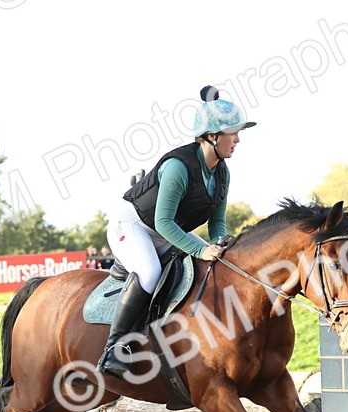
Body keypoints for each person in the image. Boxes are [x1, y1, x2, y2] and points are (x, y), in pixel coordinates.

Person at [97, 85, 255, 378]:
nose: (238, 139)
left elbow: (216, 224)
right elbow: (163, 223)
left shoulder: (222, 172)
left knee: (213, 263)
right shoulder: (178, 167)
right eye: (233, 132)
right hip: (133, 224)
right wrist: (199, 248)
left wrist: (221, 245)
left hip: (166, 229)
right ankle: (114, 349)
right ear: (212, 136)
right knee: (149, 272)